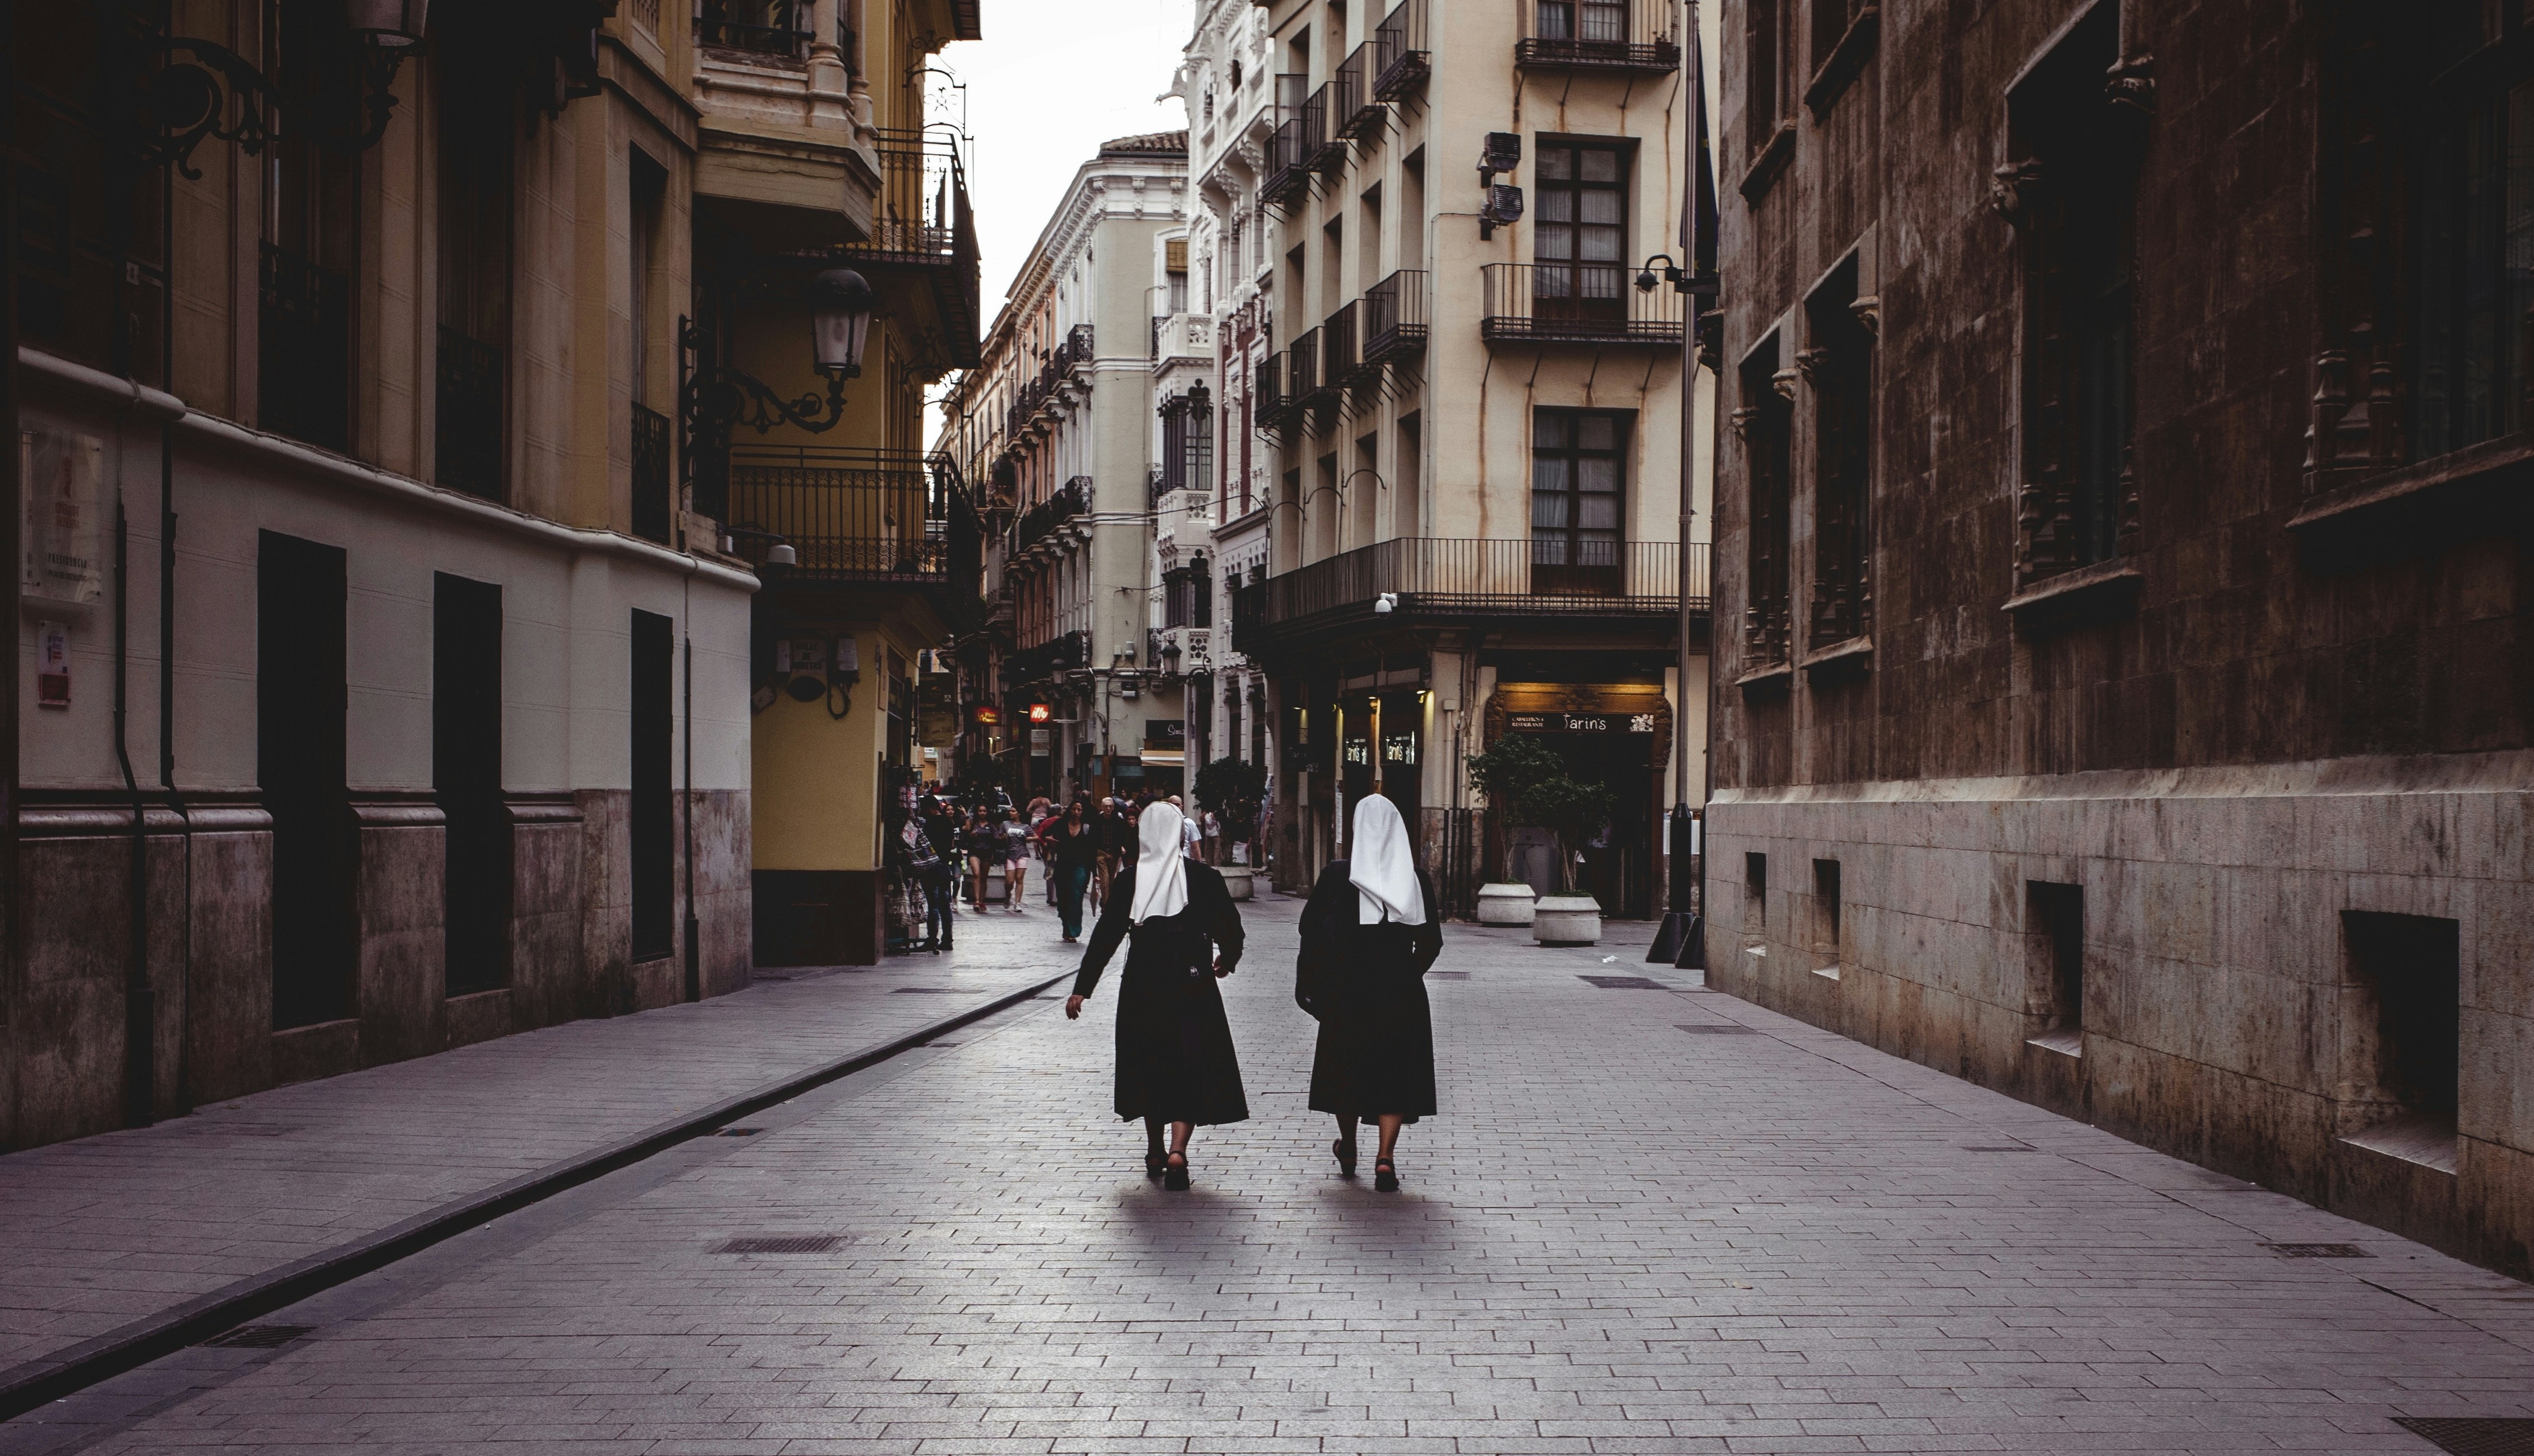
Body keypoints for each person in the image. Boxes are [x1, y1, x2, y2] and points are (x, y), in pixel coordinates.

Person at [1065, 801, 1248, 1190]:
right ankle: (1179, 1151)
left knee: (1149, 1061)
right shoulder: (1203, 877)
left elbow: (1106, 935)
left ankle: (1155, 1148)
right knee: (1189, 1061)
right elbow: (1231, 927)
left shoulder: (1131, 880)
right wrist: (1227, 958)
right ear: (1179, 834)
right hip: (1192, 983)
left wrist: (1083, 987)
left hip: (1142, 985)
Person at [1295, 793, 1443, 1193]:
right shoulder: (1415, 879)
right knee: (1393, 1072)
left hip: (1346, 989)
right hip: (1399, 993)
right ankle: (1385, 1157)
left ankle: (1349, 1145)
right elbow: (1431, 942)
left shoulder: (1336, 874)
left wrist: (1311, 983)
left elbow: (1310, 931)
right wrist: (1406, 975)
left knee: (1346, 1069)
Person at [1046, 799, 1101, 942]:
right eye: (1074, 809)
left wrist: (1095, 874)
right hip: (1062, 866)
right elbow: (1044, 833)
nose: (1076, 812)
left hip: (1080, 866)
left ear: (1083, 812)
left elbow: (1092, 852)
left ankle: (1074, 930)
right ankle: (1067, 929)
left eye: (1079, 810)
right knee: (1063, 898)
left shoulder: (1087, 828)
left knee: (1076, 896)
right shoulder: (1060, 824)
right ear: (1070, 810)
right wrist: (1048, 839)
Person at [1002, 806, 1032, 913]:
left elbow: (1037, 837)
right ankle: (1008, 894)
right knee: (1009, 881)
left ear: (1019, 814)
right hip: (1010, 854)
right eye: (1010, 811)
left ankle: (1017, 903)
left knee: (1019, 879)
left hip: (1022, 853)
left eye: (1013, 811)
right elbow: (1000, 836)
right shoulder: (1005, 824)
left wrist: (1029, 839)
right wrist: (1003, 838)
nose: (1011, 813)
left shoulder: (1025, 827)